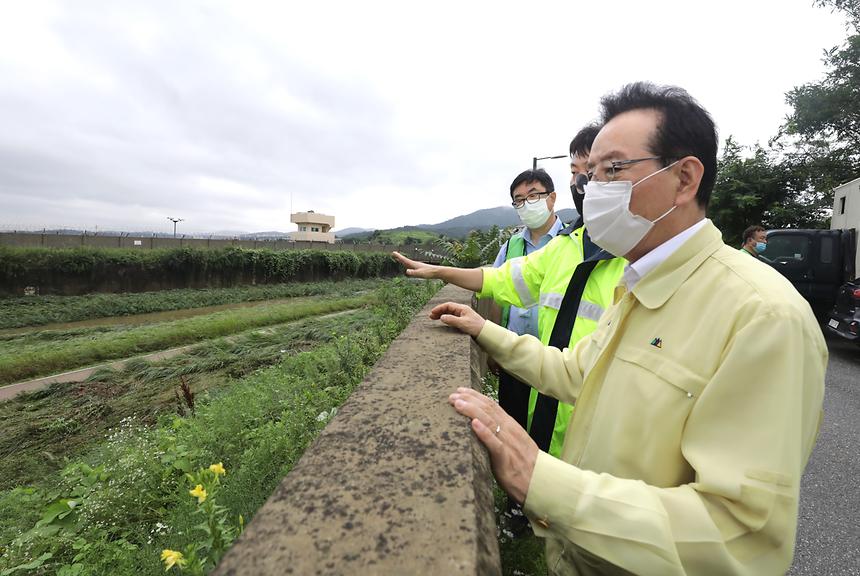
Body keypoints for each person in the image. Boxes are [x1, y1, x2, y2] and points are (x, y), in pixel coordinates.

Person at [432, 82, 827, 575]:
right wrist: (484, 330)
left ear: (684, 179)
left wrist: (541, 480)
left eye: (613, 170)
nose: (591, 190)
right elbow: (577, 372)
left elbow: (739, 535)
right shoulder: (638, 282)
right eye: (590, 174)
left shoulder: (763, 316)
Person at [393, 125, 626, 460]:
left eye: (595, 171)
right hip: (545, 396)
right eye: (576, 173)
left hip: (597, 430)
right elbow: (498, 280)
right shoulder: (564, 247)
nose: (583, 183)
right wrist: (438, 271)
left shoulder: (644, 260)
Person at [489, 167, 565, 433]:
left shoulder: (570, 243)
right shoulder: (510, 247)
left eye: (533, 196)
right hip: (513, 354)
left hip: (555, 357)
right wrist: (494, 346)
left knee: (547, 427)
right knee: (511, 425)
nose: (525, 204)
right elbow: (497, 291)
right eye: (519, 200)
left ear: (552, 198)